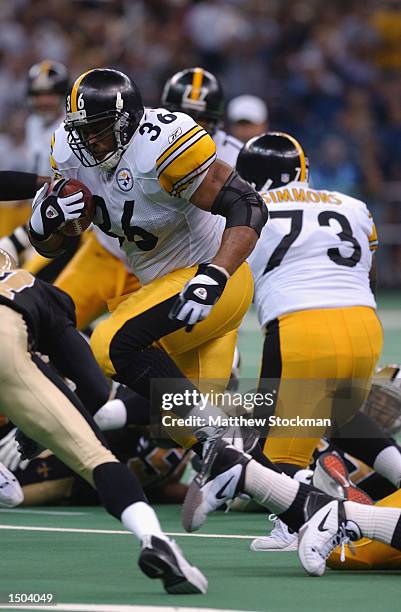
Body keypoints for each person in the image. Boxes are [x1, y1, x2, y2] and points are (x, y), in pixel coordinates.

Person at [27, 68, 266, 444]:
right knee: (192, 436)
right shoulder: (69, 152)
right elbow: (58, 243)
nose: (88, 139)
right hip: (163, 293)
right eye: (81, 128)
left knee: (108, 344)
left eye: (99, 127)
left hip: (209, 282)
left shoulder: (162, 146)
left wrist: (215, 275)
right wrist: (42, 229)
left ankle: (215, 426)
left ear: (126, 122)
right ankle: (291, 478)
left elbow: (248, 205)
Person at [0, 247, 207, 594]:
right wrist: (37, 429)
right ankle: (153, 538)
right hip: (11, 343)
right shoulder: (37, 291)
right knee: (97, 458)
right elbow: (96, 390)